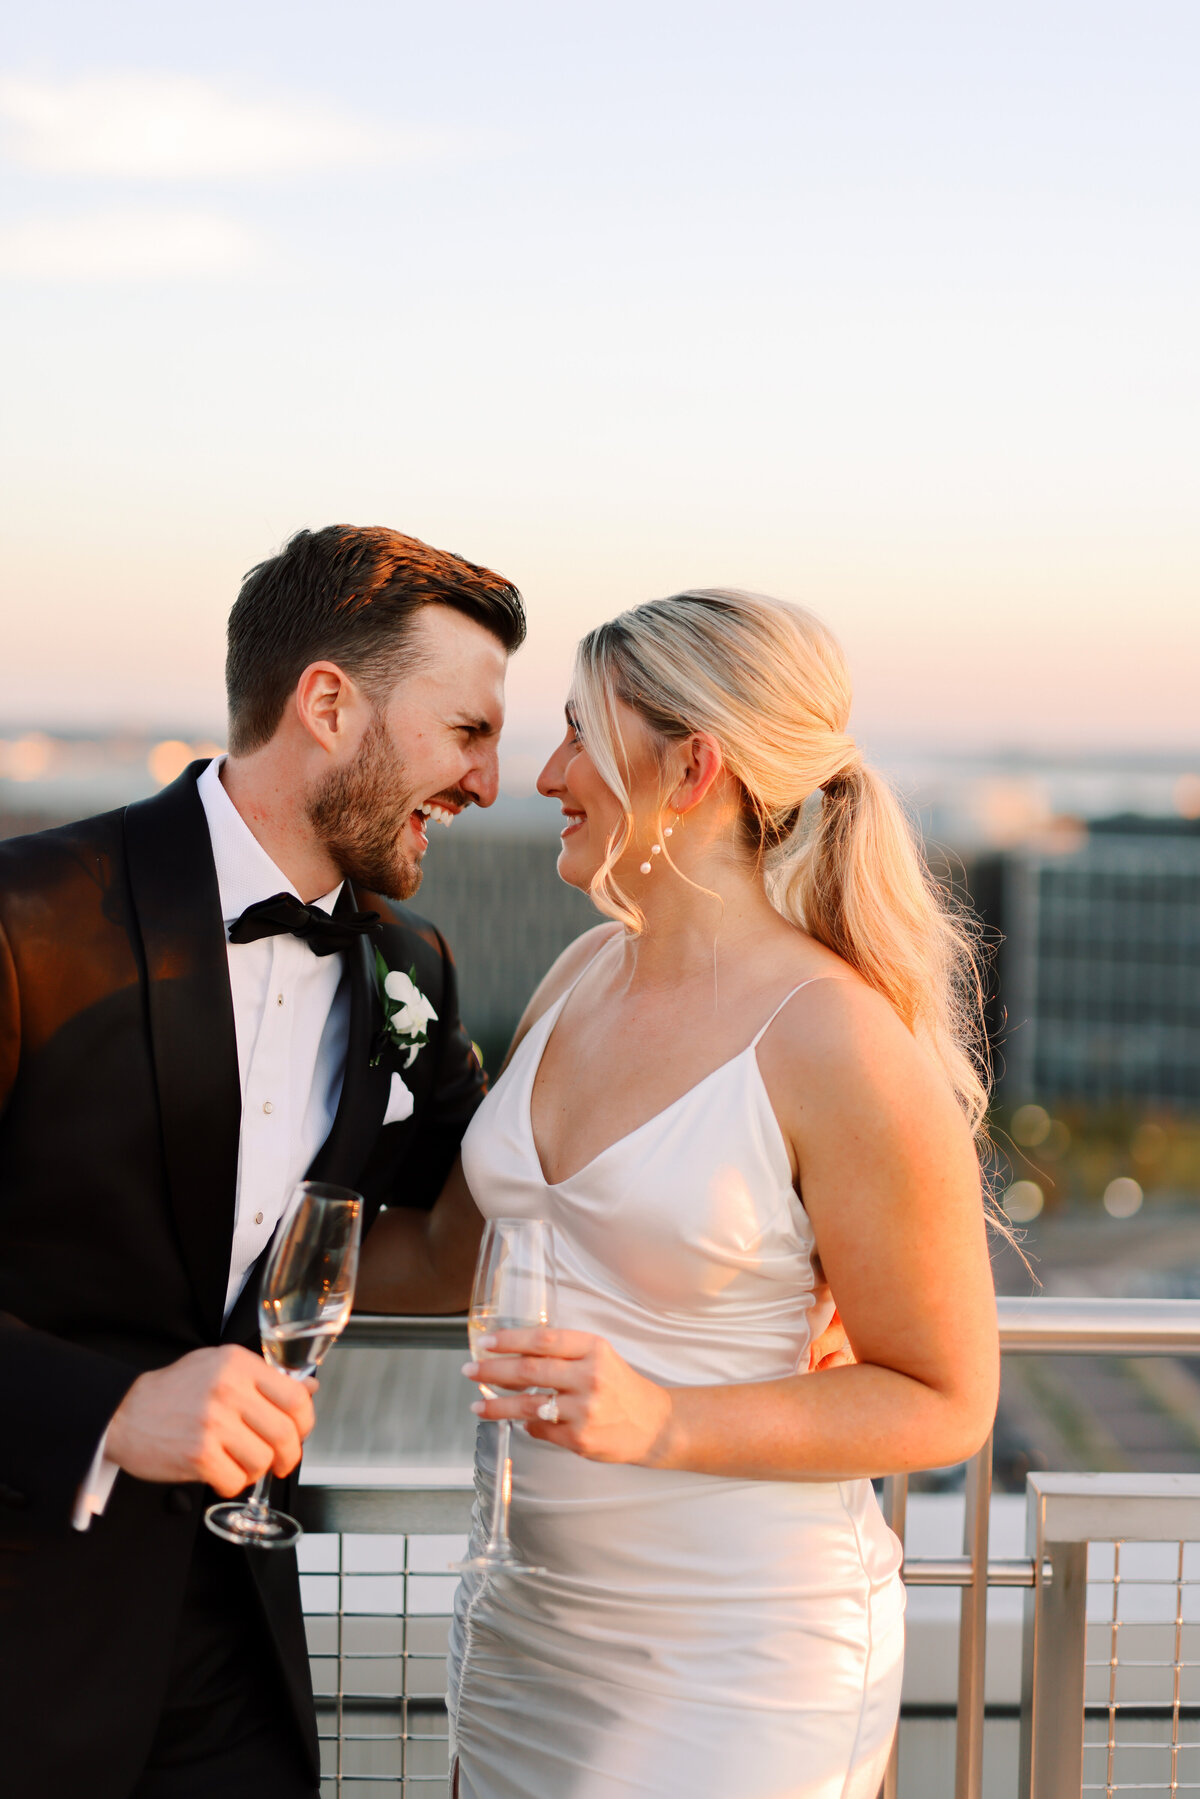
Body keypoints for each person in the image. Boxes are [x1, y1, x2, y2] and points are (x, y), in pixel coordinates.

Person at [444, 589, 1001, 1798]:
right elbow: (463, 1250)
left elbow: (947, 1397)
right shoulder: (580, 972)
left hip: (740, 1664)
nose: (548, 771)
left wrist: (665, 1420)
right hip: (527, 1634)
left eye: (583, 733)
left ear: (693, 766)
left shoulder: (832, 1041)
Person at [0, 525, 524, 1799]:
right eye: (467, 730)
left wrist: (786, 1280)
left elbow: (505, 1197)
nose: (489, 782)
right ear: (329, 704)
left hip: (237, 1651)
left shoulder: (413, 966)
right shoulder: (25, 922)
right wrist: (113, 1411)